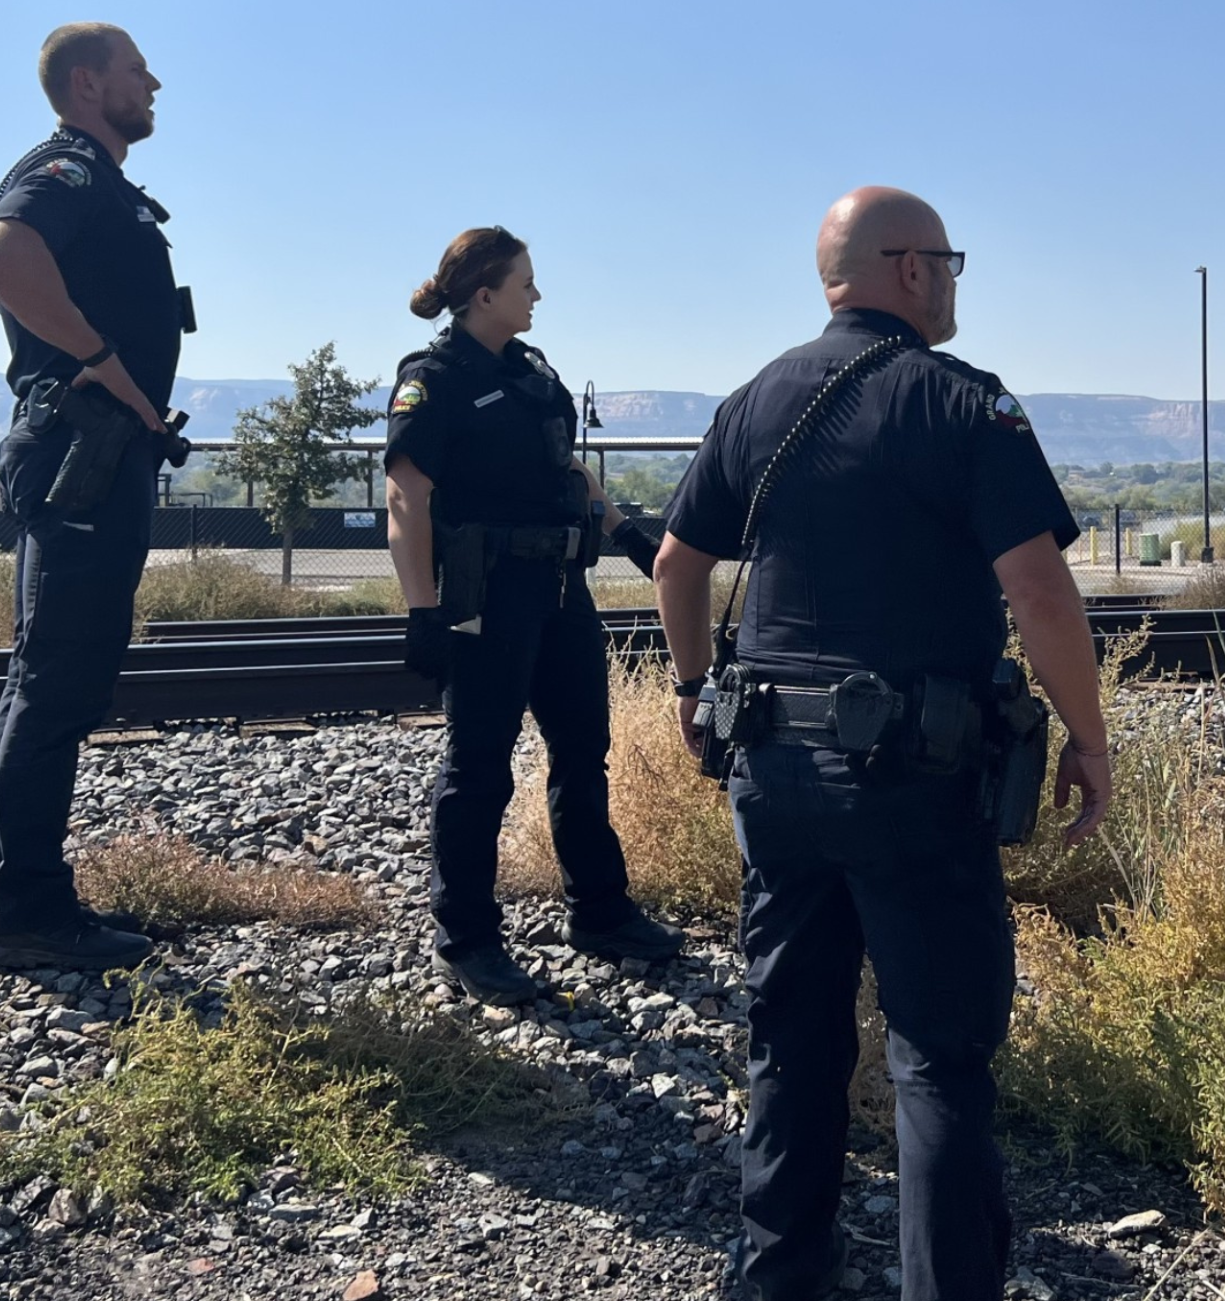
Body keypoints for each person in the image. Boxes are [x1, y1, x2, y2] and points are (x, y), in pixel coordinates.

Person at [654, 187, 1113, 1301]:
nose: (954, 278)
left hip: (773, 772)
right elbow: (1041, 592)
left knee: (793, 1041)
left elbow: (676, 565)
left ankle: (778, 1279)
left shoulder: (754, 399)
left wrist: (696, 687)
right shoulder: (960, 404)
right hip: (914, 781)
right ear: (909, 270)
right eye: (949, 259)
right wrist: (1089, 737)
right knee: (938, 1056)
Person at [385, 226, 682, 1005]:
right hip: (486, 597)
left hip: (559, 588)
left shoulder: (534, 374)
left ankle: (601, 911)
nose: (537, 295)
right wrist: (423, 611)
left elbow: (569, 473)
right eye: (525, 283)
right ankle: (470, 938)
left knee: (583, 750)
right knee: (479, 769)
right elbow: (405, 496)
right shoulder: (434, 377)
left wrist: (626, 533)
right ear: (484, 293)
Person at [0, 23, 187, 972]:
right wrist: (102, 365)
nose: (155, 83)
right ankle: (26, 914)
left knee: (62, 678)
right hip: (82, 452)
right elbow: (1, 256)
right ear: (91, 83)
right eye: (140, 71)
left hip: (105, 455)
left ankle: (31, 903)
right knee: (53, 682)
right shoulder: (67, 169)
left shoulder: (110, 187)